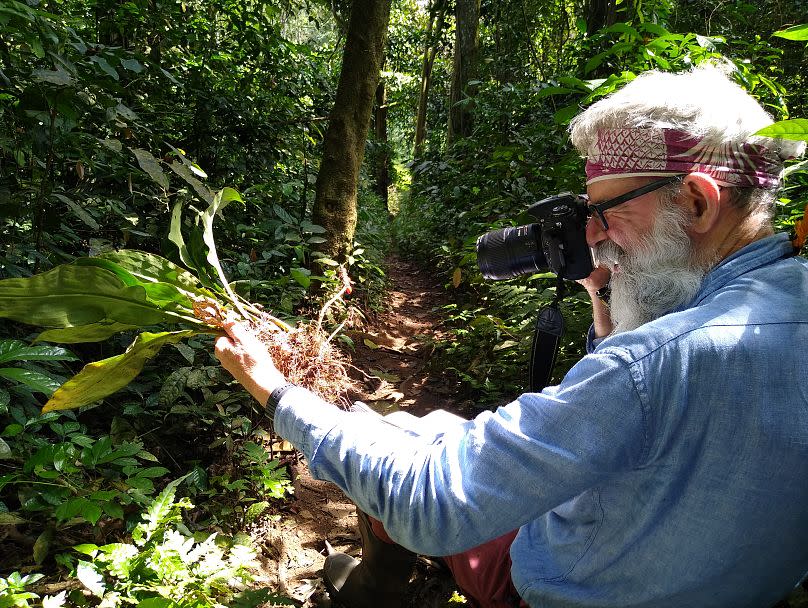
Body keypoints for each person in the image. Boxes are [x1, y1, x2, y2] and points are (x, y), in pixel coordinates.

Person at [215, 64, 808, 608]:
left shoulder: (651, 366)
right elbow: (652, 425)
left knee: (390, 449)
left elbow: (432, 501)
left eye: (606, 209)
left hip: (566, 589)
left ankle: (374, 592)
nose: (596, 236)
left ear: (699, 202)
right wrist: (604, 300)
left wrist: (274, 390)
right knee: (414, 429)